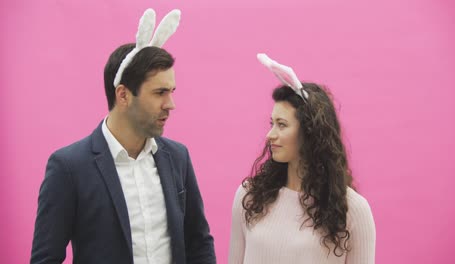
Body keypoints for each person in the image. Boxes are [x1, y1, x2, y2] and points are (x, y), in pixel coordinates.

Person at [31, 8, 216, 264]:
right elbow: (45, 258)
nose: (170, 104)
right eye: (159, 92)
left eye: (172, 91)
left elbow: (199, 242)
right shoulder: (68, 167)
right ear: (123, 95)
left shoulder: (178, 157)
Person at [228, 54, 375, 264]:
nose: (270, 135)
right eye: (271, 123)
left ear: (309, 132)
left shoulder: (352, 210)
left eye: (282, 124)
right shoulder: (249, 196)